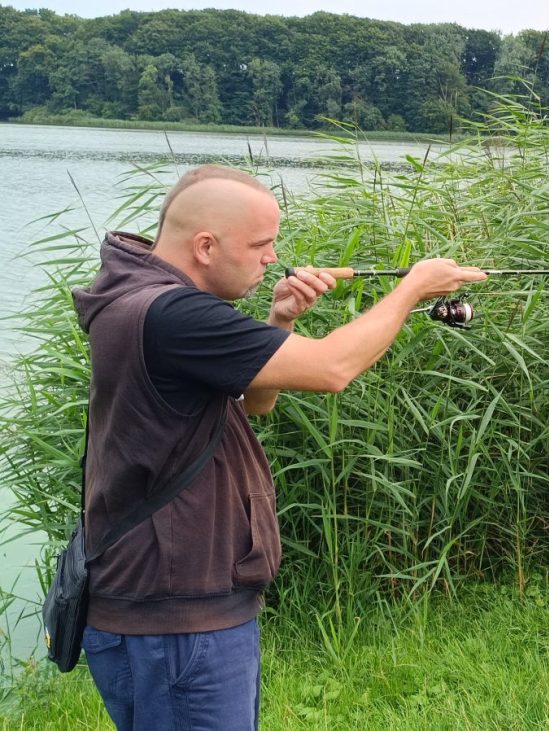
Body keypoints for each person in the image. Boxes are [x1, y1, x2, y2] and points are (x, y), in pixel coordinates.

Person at [72, 164, 486, 730]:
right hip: (174, 619)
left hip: (163, 607)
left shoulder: (140, 297)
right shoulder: (173, 315)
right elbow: (333, 369)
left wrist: (280, 321)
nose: (273, 258)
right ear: (205, 245)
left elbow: (254, 403)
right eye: (261, 244)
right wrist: (413, 287)